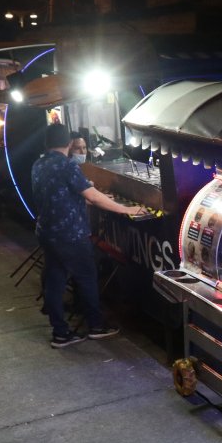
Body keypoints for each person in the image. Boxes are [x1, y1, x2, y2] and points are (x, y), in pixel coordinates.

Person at [31, 122, 144, 348]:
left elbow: (58, 193)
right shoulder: (66, 166)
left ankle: (60, 333)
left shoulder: (39, 164)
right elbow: (94, 197)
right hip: (70, 235)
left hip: (46, 232)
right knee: (87, 277)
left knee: (54, 281)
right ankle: (96, 326)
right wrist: (127, 209)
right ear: (69, 143)